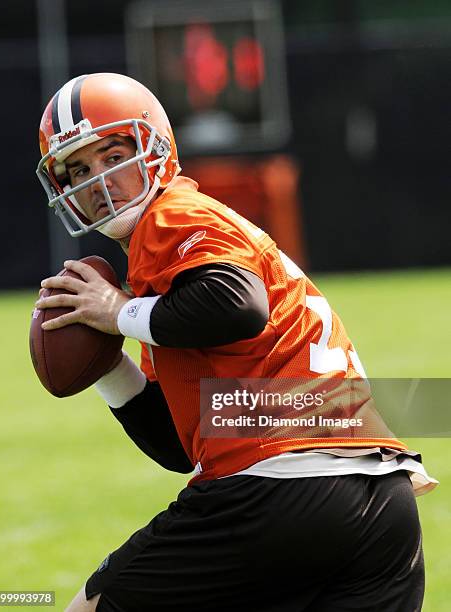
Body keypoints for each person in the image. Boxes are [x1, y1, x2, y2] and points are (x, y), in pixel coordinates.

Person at [35, 73, 436, 612]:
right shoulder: (166, 291)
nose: (99, 182)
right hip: (380, 501)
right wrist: (109, 364)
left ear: (155, 147)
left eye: (112, 156)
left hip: (279, 485)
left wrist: (117, 311)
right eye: (79, 171)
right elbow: (178, 448)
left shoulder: (171, 215)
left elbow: (239, 305)